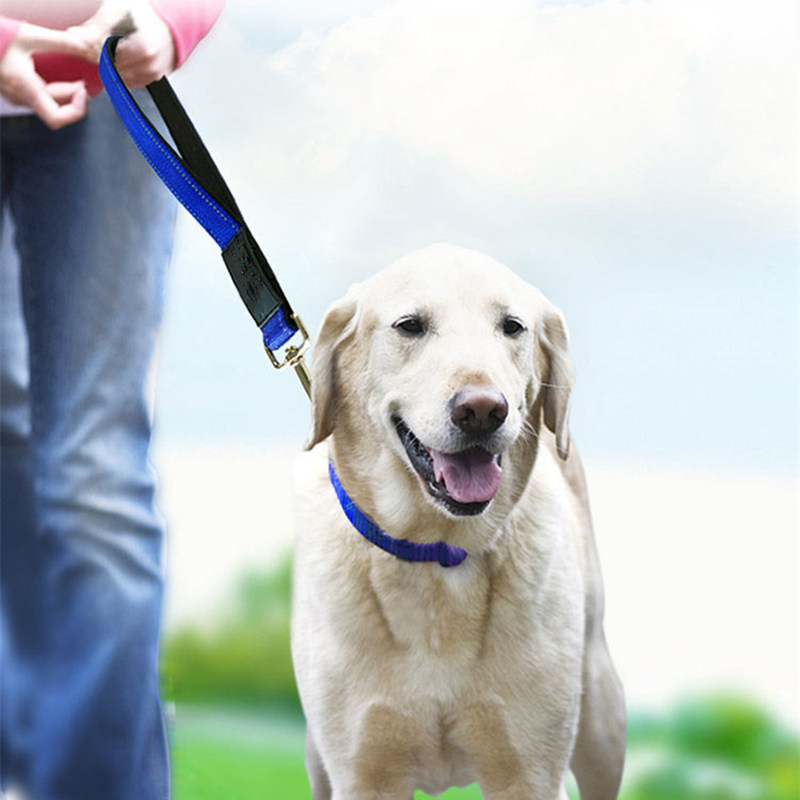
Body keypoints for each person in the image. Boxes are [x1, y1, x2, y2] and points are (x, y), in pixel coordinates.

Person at [0, 2, 223, 797]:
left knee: (92, 471)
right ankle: (45, 738)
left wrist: (169, 19)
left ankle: (89, 770)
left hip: (102, 85)